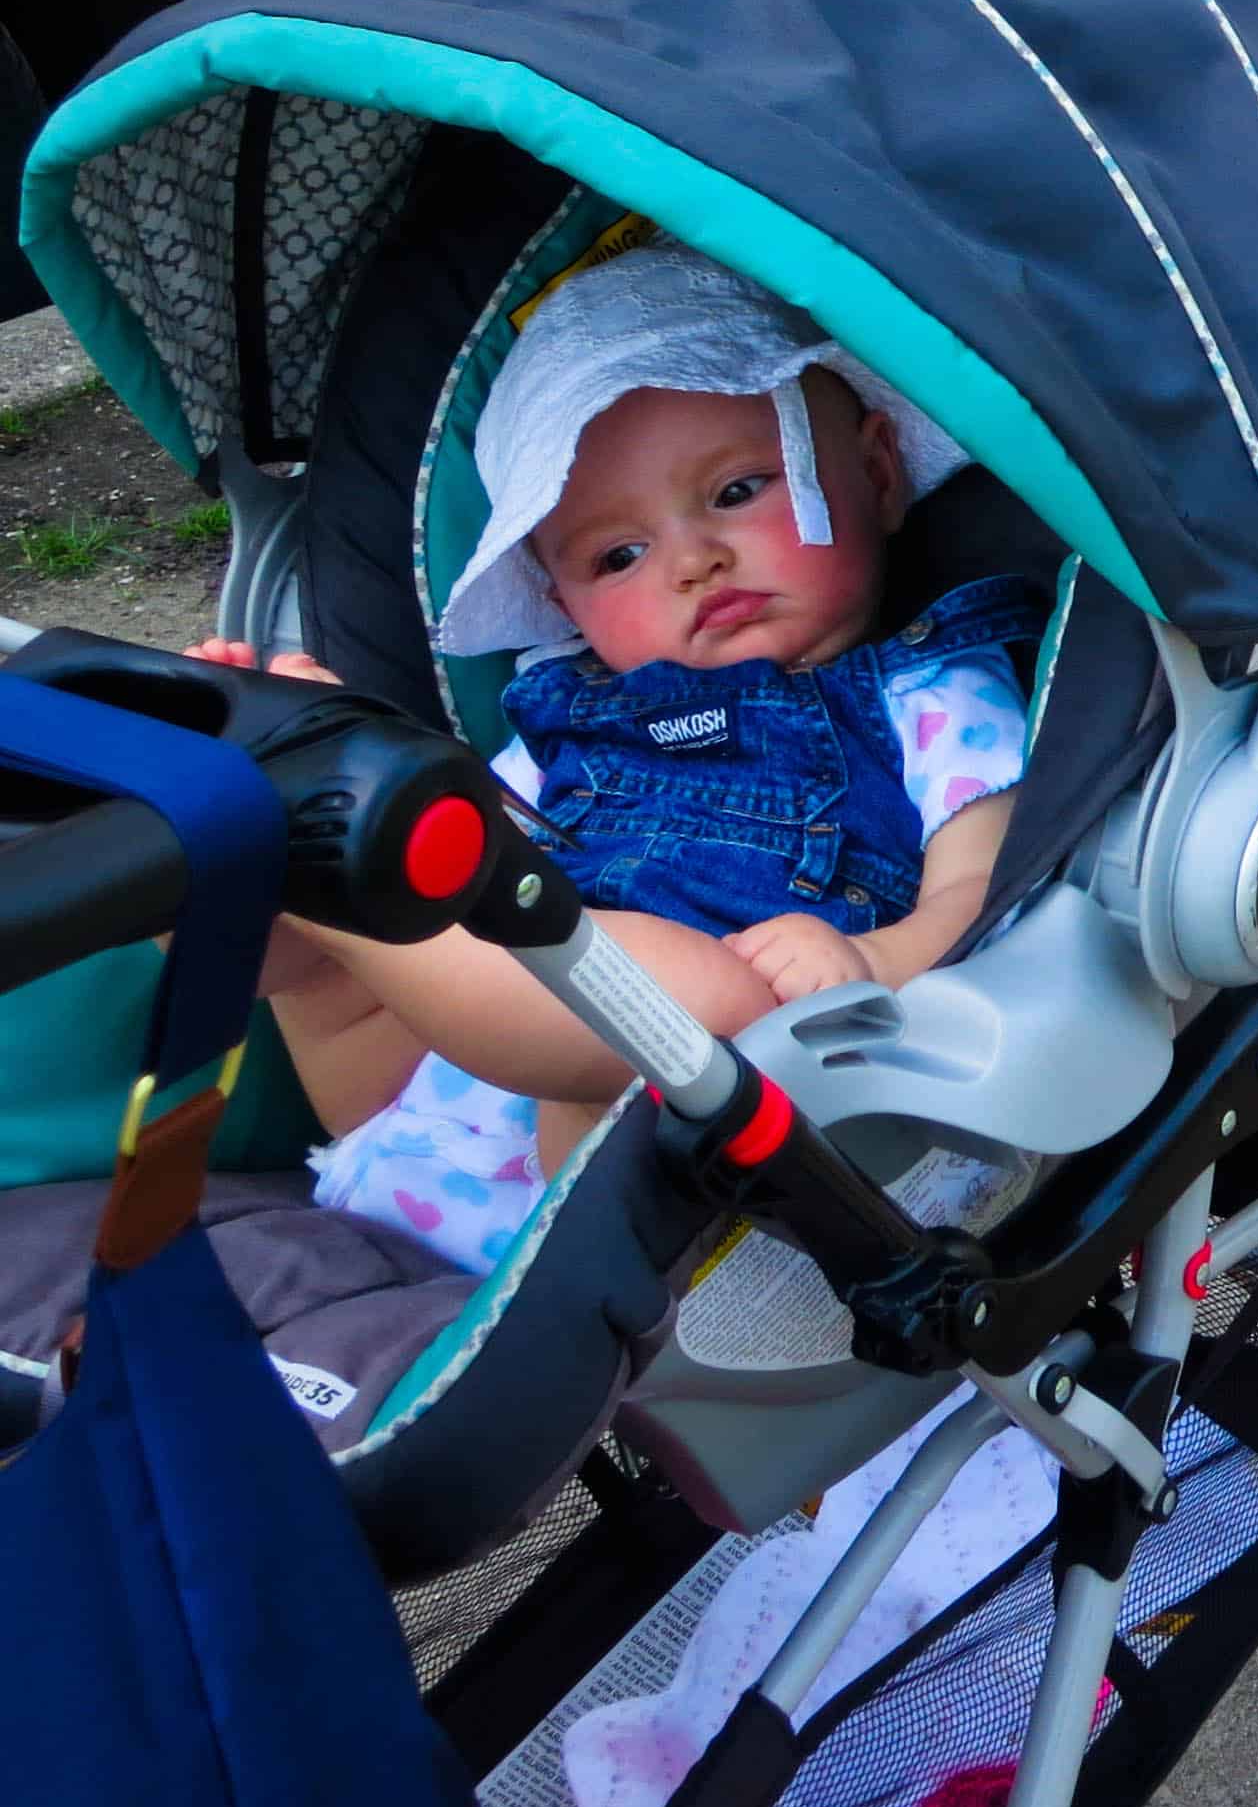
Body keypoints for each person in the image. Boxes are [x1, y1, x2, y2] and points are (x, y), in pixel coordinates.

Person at [200, 241, 1041, 1273]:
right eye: (619, 556)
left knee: (691, 1009)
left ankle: (312, 830)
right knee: (349, 945)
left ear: (874, 471)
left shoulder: (928, 689)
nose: (694, 560)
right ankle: (246, 856)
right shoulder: (566, 716)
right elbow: (484, 851)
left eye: (736, 490)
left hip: (663, 1156)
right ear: (563, 605)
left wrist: (874, 965)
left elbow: (989, 893)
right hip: (412, 1125)